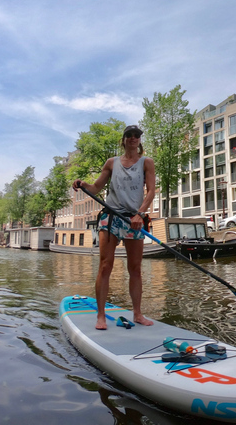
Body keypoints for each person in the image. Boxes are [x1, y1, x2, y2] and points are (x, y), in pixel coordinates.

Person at [72, 124, 155, 329]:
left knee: (135, 269)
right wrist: (83, 185)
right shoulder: (112, 163)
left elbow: (151, 191)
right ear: (124, 140)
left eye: (136, 136)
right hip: (110, 218)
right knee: (105, 265)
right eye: (129, 136)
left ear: (139, 140)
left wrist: (140, 214)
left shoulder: (147, 163)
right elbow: (96, 187)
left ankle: (137, 314)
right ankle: (101, 316)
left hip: (134, 220)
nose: (133, 138)